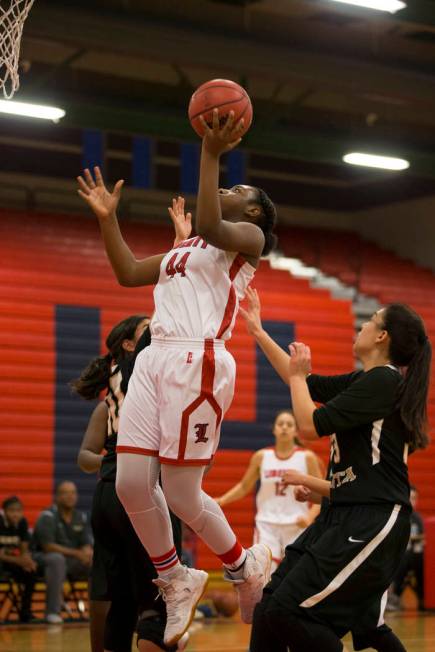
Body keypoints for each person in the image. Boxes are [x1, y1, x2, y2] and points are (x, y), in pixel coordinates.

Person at [76, 108, 278, 646]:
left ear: (254, 210)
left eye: (238, 187)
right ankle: (175, 577)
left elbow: (213, 223)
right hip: (154, 359)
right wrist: (107, 219)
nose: (229, 190)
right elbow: (126, 273)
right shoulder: (185, 249)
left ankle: (243, 566)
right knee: (131, 482)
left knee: (182, 492)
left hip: (200, 361)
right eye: (226, 183)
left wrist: (211, 154)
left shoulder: (247, 240)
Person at [240, 287, 431, 652]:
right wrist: (259, 332)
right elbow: (305, 384)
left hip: (373, 522)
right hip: (344, 514)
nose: (361, 327)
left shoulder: (385, 381)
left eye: (371, 321)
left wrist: (298, 379)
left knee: (288, 612)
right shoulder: (367, 381)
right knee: (270, 605)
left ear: (382, 336)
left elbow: (308, 425)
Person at [74, 313, 187, 652]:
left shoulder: (113, 384)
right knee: (159, 596)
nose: (158, 330)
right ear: (130, 344)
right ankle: (158, 637)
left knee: (120, 597)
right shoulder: (150, 368)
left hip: (109, 493)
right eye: (148, 329)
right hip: (143, 489)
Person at [217, 409, 322, 571]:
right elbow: (245, 486)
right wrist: (221, 501)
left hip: (296, 524)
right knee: (264, 572)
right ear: (274, 429)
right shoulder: (262, 456)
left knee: (294, 572)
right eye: (281, 424)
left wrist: (309, 517)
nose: (285, 428)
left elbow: (322, 494)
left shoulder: (307, 457)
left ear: (296, 431)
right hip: (266, 524)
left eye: (289, 424)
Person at [32, 481, 93, 624]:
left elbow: (86, 542)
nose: (70, 496)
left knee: (96, 560)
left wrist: (87, 551)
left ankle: (96, 611)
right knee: (56, 559)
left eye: (73, 493)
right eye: (65, 493)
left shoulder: (80, 517)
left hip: (70, 561)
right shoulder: (47, 516)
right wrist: (77, 553)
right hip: (42, 560)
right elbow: (48, 547)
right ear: (57, 497)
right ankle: (52, 612)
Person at [0, 496, 37, 623]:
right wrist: (19, 560)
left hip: (10, 560)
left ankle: (25, 612)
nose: (15, 514)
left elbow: (24, 549)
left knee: (30, 572)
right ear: (4, 511)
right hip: (3, 561)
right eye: (12, 510)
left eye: (19, 510)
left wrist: (27, 561)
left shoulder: (22, 523)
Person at [389, 484, 425, 611]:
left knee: (420, 558)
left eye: (415, 498)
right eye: (410, 498)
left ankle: (424, 597)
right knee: (404, 557)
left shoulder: (418, 519)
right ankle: (394, 596)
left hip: (414, 556)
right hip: (396, 555)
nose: (412, 501)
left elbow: (423, 538)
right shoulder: (396, 516)